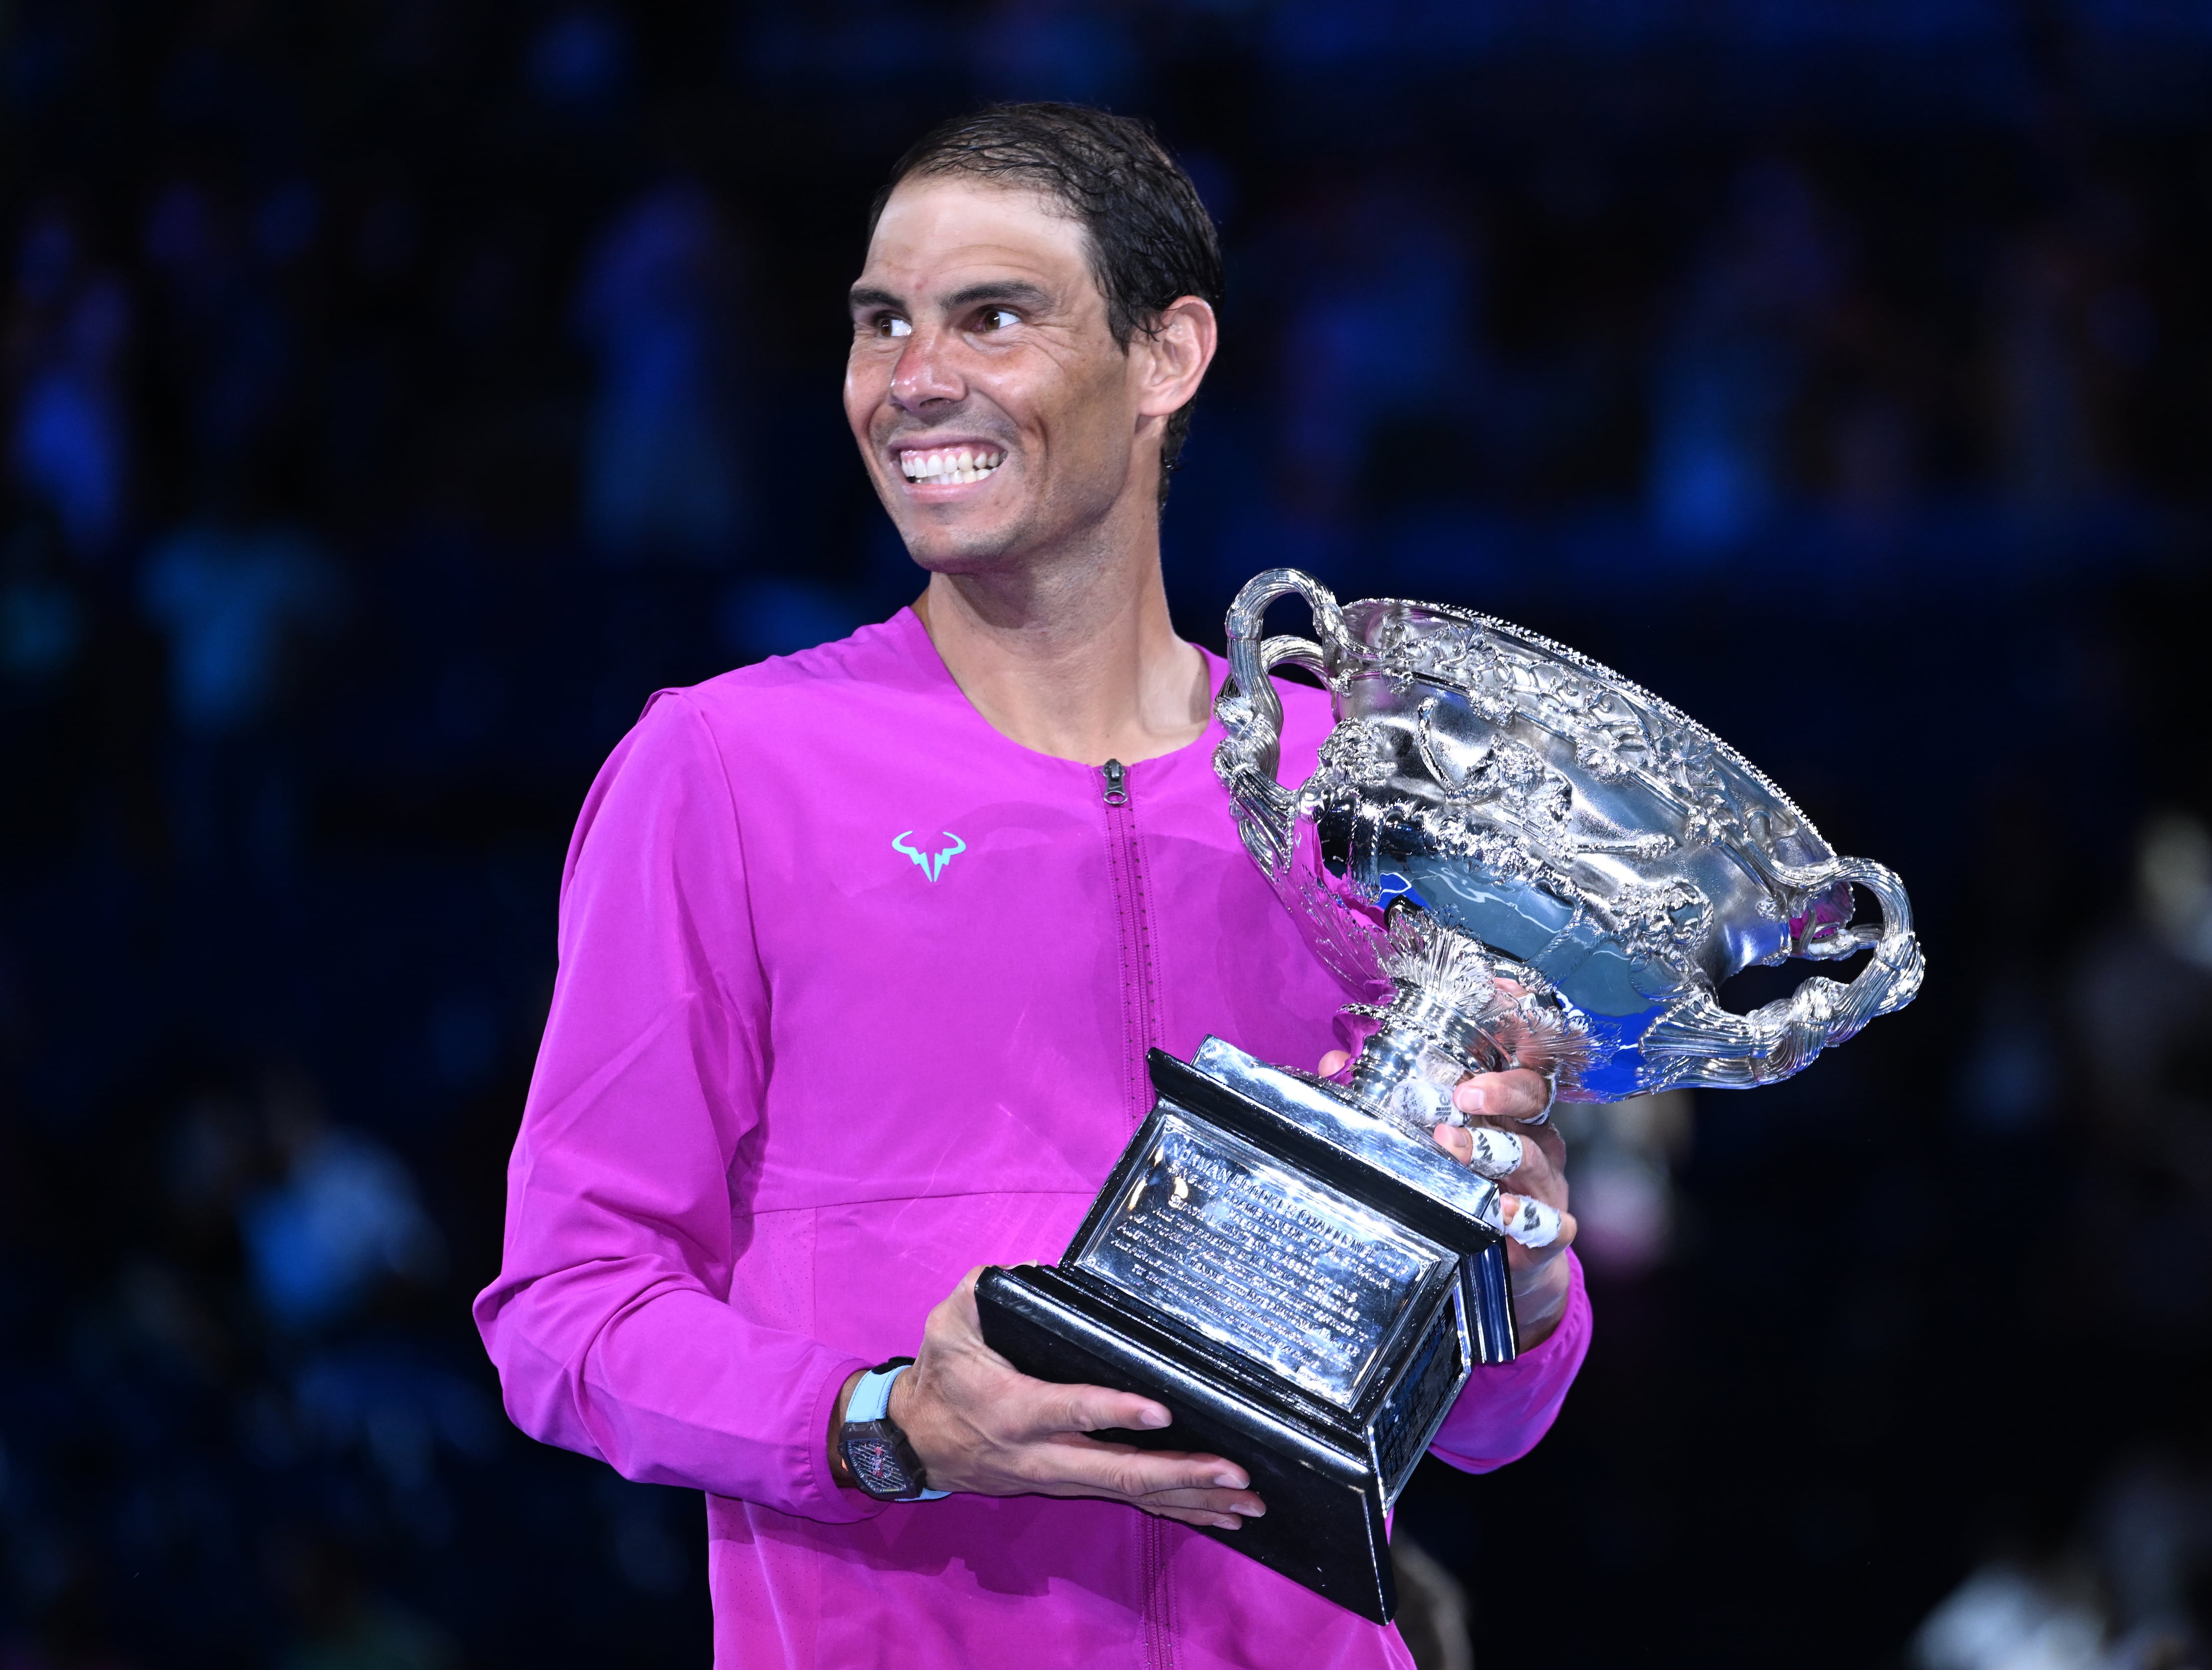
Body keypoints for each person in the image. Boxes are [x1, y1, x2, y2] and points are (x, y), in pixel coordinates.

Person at [475, 103, 1591, 1669]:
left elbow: (1483, 1422)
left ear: (1166, 357)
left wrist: (1523, 1282)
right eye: (882, 324)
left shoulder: (1351, 789)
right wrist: (886, 1425)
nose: (914, 378)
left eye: (992, 315)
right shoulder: (728, 767)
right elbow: (566, 1313)